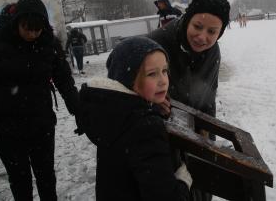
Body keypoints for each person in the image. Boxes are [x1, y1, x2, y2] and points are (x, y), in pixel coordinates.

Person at [0, 0, 80, 200]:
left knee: (46, 177)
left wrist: (79, 110)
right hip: (4, 128)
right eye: (28, 29)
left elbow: (64, 80)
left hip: (40, 124)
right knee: (19, 179)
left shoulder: (48, 44)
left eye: (38, 30)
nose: (33, 34)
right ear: (17, 22)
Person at [77, 36, 192, 201]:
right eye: (152, 74)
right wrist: (182, 182)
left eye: (165, 71)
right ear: (128, 79)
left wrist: (150, 107)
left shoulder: (111, 113)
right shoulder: (146, 127)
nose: (163, 81)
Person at [148, 0, 230, 201]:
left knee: (201, 182)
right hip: (158, 134)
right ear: (187, 20)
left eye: (212, 31)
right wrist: (150, 103)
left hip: (193, 128)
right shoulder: (157, 43)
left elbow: (208, 97)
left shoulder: (213, 52)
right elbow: (127, 86)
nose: (203, 37)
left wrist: (207, 135)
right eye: (198, 27)